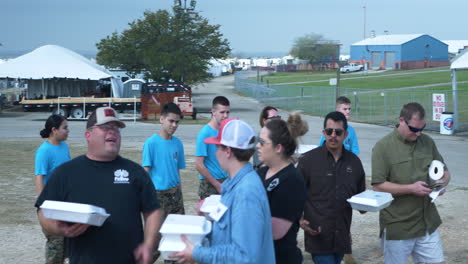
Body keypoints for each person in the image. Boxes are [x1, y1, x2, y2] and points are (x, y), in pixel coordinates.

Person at [35, 107, 162, 264]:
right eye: (105, 127)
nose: (113, 132)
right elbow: (43, 211)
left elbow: (153, 211)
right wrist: (59, 229)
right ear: (88, 135)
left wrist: (148, 245)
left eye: (116, 128)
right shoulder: (66, 173)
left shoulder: (135, 172)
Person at [171, 119, 275, 263]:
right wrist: (210, 218)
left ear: (227, 151)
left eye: (217, 147)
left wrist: (198, 253)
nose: (215, 153)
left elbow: (244, 256)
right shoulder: (233, 185)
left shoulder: (246, 192)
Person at [371, 102, 450, 264]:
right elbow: (378, 185)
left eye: (422, 128)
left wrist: (442, 182)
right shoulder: (382, 147)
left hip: (426, 222)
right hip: (398, 226)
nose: (418, 133)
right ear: (401, 120)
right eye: (414, 129)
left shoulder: (427, 142)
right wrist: (410, 189)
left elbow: (445, 171)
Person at [298, 111, 366, 264]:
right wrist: (299, 219)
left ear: (346, 134)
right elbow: (294, 195)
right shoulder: (308, 161)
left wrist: (369, 204)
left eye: (338, 132)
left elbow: (361, 198)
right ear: (324, 133)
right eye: (329, 131)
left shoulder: (354, 163)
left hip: (341, 237)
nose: (333, 135)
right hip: (318, 237)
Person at [256, 115, 306, 264]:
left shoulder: (292, 180)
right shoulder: (261, 173)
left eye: (262, 142)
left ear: (278, 148)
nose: (258, 146)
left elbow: (275, 231)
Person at [142, 102, 186, 262]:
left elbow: (177, 171)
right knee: (155, 241)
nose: (174, 125)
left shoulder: (177, 144)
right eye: (171, 121)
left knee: (176, 241)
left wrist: (179, 193)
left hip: (175, 196)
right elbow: (145, 174)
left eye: (177, 122)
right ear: (161, 119)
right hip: (158, 198)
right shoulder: (151, 143)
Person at [35, 114, 71, 264]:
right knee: (55, 248)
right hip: (51, 206)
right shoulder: (44, 151)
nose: (68, 131)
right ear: (54, 130)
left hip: (66, 203)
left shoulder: (64, 146)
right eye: (65, 128)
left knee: (67, 247)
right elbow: (39, 178)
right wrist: (44, 206)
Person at [195, 96, 230, 199]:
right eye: (222, 112)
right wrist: (216, 184)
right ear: (213, 112)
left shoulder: (225, 131)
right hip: (210, 185)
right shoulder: (205, 133)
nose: (225, 116)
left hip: (226, 181)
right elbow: (199, 164)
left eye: (227, 112)